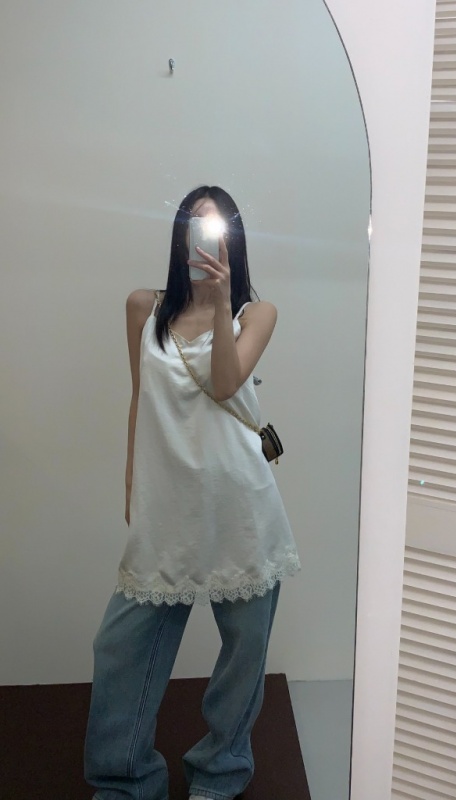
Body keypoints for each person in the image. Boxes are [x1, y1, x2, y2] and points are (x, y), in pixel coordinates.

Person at [84, 185, 301, 800]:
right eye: (194, 226)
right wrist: (134, 485)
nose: (203, 239)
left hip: (242, 506)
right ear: (179, 236)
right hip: (169, 506)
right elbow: (140, 399)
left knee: (243, 655)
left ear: (235, 240)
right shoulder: (143, 307)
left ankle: (220, 772)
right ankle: (125, 782)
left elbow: (227, 383)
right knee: (120, 648)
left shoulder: (256, 313)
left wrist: (224, 298)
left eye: (216, 228)